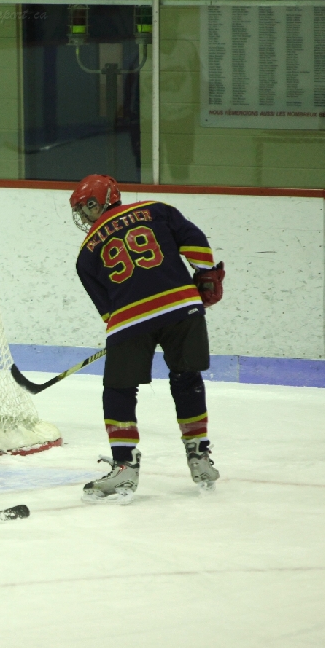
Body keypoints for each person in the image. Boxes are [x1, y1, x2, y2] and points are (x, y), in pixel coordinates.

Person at [70, 174, 225, 502]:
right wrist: (206, 274)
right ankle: (198, 455)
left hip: (129, 321)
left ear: (105, 200)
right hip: (182, 308)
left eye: (88, 206)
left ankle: (124, 465)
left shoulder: (85, 254)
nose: (85, 214)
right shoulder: (156, 209)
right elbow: (195, 242)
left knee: (119, 390)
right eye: (82, 209)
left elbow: (108, 310)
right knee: (187, 378)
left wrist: (126, 333)